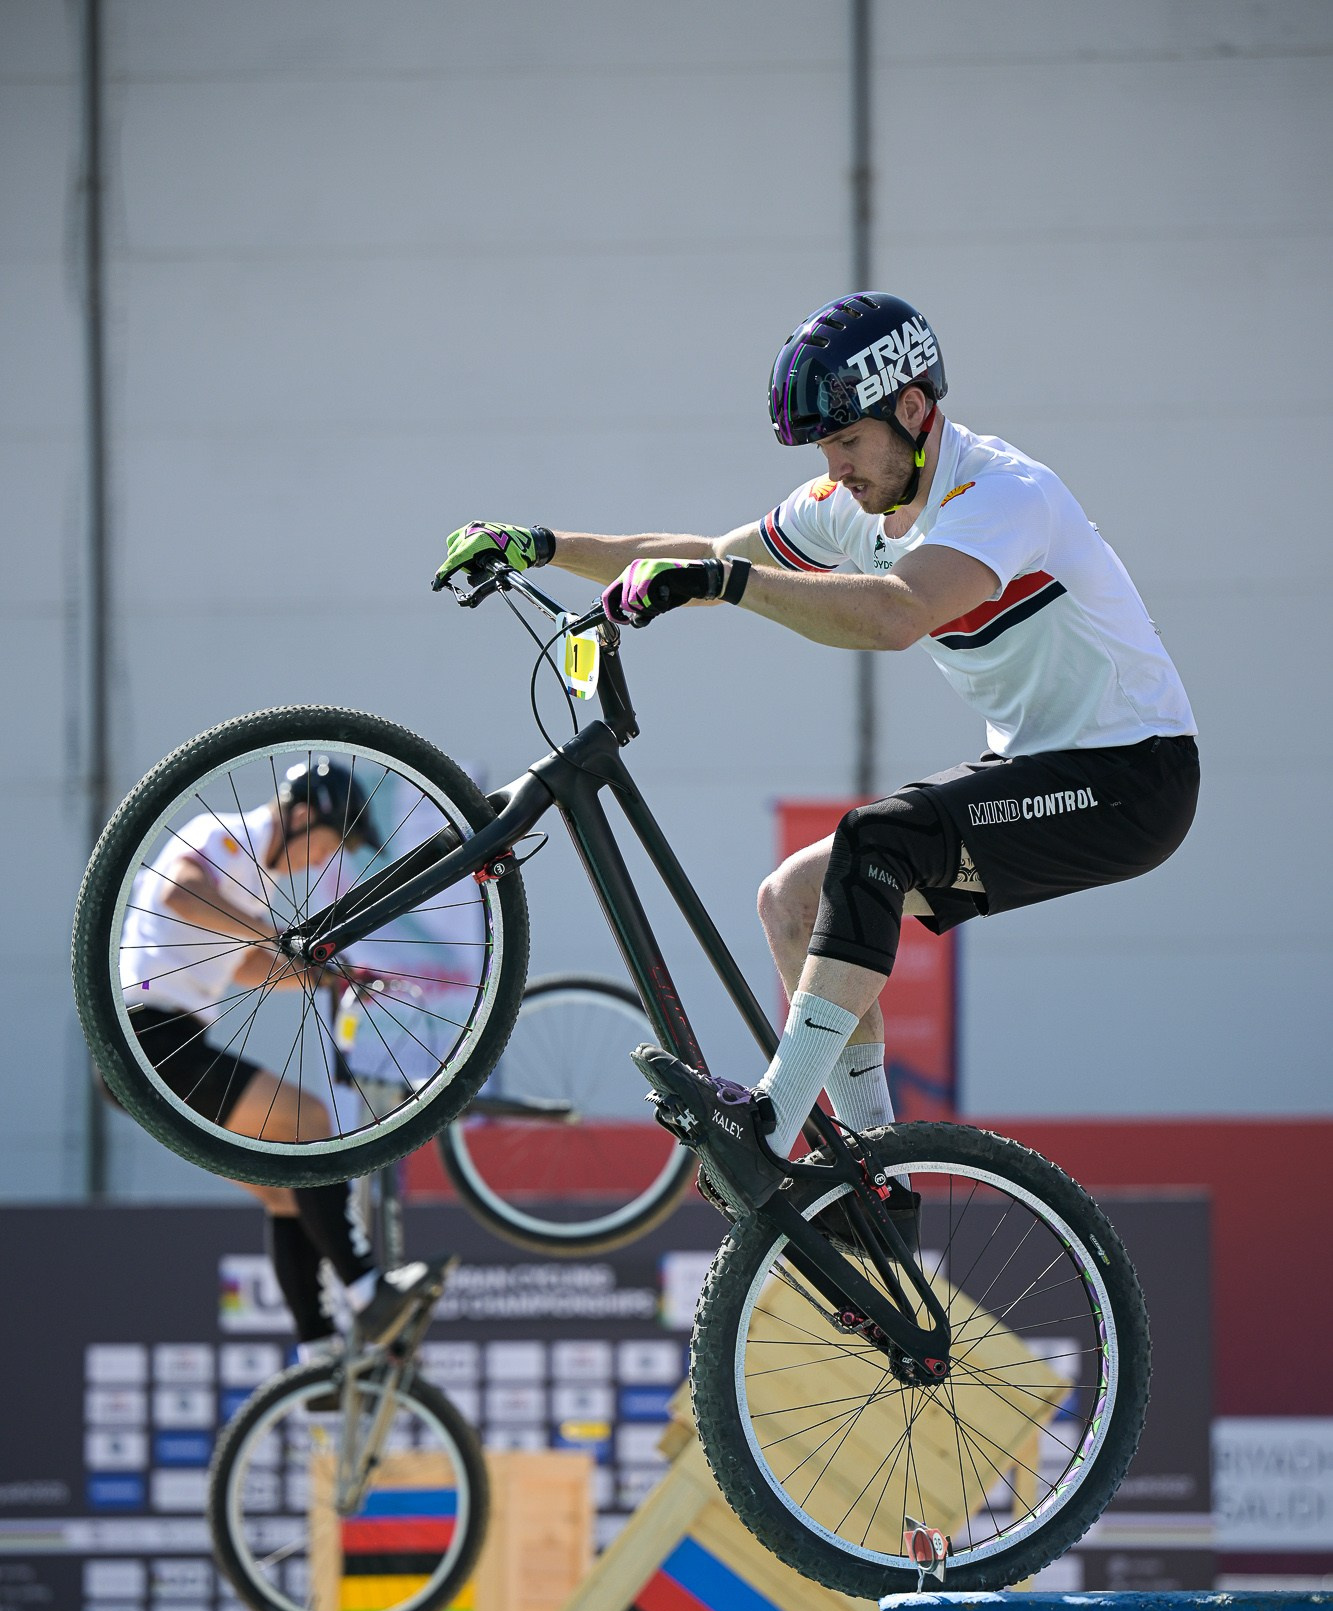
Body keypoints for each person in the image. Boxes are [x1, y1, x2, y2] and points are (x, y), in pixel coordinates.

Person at [432, 291, 1199, 1209]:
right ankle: (879, 1183)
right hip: (1041, 764)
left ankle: (770, 1123)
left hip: (1131, 777)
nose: (833, 472)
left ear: (912, 412)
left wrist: (721, 578)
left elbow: (895, 614)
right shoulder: (857, 502)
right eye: (822, 453)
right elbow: (704, 557)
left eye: (845, 443)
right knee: (793, 899)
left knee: (879, 842)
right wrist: (546, 545)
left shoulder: (1001, 497)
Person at [115, 757, 447, 1341]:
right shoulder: (222, 834)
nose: (327, 858)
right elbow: (181, 892)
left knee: (290, 1195)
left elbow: (245, 965)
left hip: (170, 1042)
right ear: (300, 815)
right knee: (311, 1120)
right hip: (150, 1037)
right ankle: (368, 1289)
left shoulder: (258, 888)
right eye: (330, 841)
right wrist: (278, 935)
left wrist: (330, 976)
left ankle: (316, 1349)